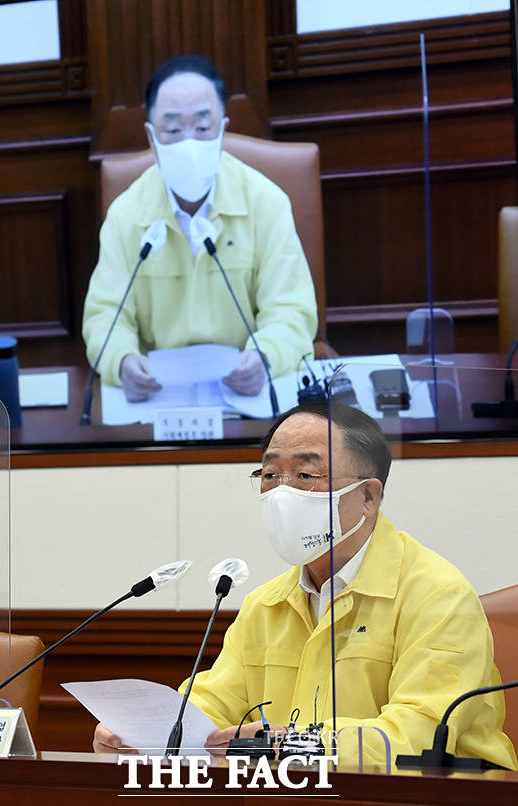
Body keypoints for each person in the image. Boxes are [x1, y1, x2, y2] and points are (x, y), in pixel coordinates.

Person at [93, 401, 517, 769]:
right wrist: (144, 731)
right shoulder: (266, 604)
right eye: (270, 474)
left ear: (369, 496)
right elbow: (214, 704)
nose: (282, 493)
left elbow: (419, 734)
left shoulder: (437, 595)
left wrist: (296, 746)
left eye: (305, 475)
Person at [82, 55, 318, 401]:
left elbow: (291, 310)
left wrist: (265, 357)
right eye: (174, 130)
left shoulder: (267, 203)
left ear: (222, 129)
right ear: (152, 137)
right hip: (158, 398)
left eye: (203, 129)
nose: (189, 143)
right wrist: (122, 362)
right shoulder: (126, 215)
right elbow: (105, 315)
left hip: (246, 394)